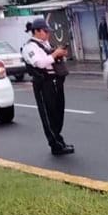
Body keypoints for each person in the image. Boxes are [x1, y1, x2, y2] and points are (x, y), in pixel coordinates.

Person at [21, 18, 74, 156]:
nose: (48, 34)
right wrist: (54, 55)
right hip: (43, 83)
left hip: (56, 81)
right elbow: (39, 63)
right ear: (37, 31)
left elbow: (53, 60)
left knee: (58, 112)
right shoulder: (30, 47)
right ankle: (55, 144)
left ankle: (59, 140)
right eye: (45, 31)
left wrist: (60, 54)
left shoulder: (46, 44)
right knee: (48, 114)